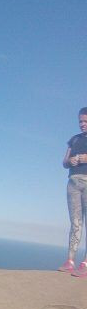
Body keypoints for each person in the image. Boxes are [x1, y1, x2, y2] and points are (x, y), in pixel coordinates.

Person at [59, 107, 87, 277]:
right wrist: (71, 161)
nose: (82, 124)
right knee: (75, 223)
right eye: (80, 122)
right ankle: (70, 261)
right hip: (73, 183)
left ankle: (85, 263)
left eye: (85, 122)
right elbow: (64, 162)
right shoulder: (74, 140)